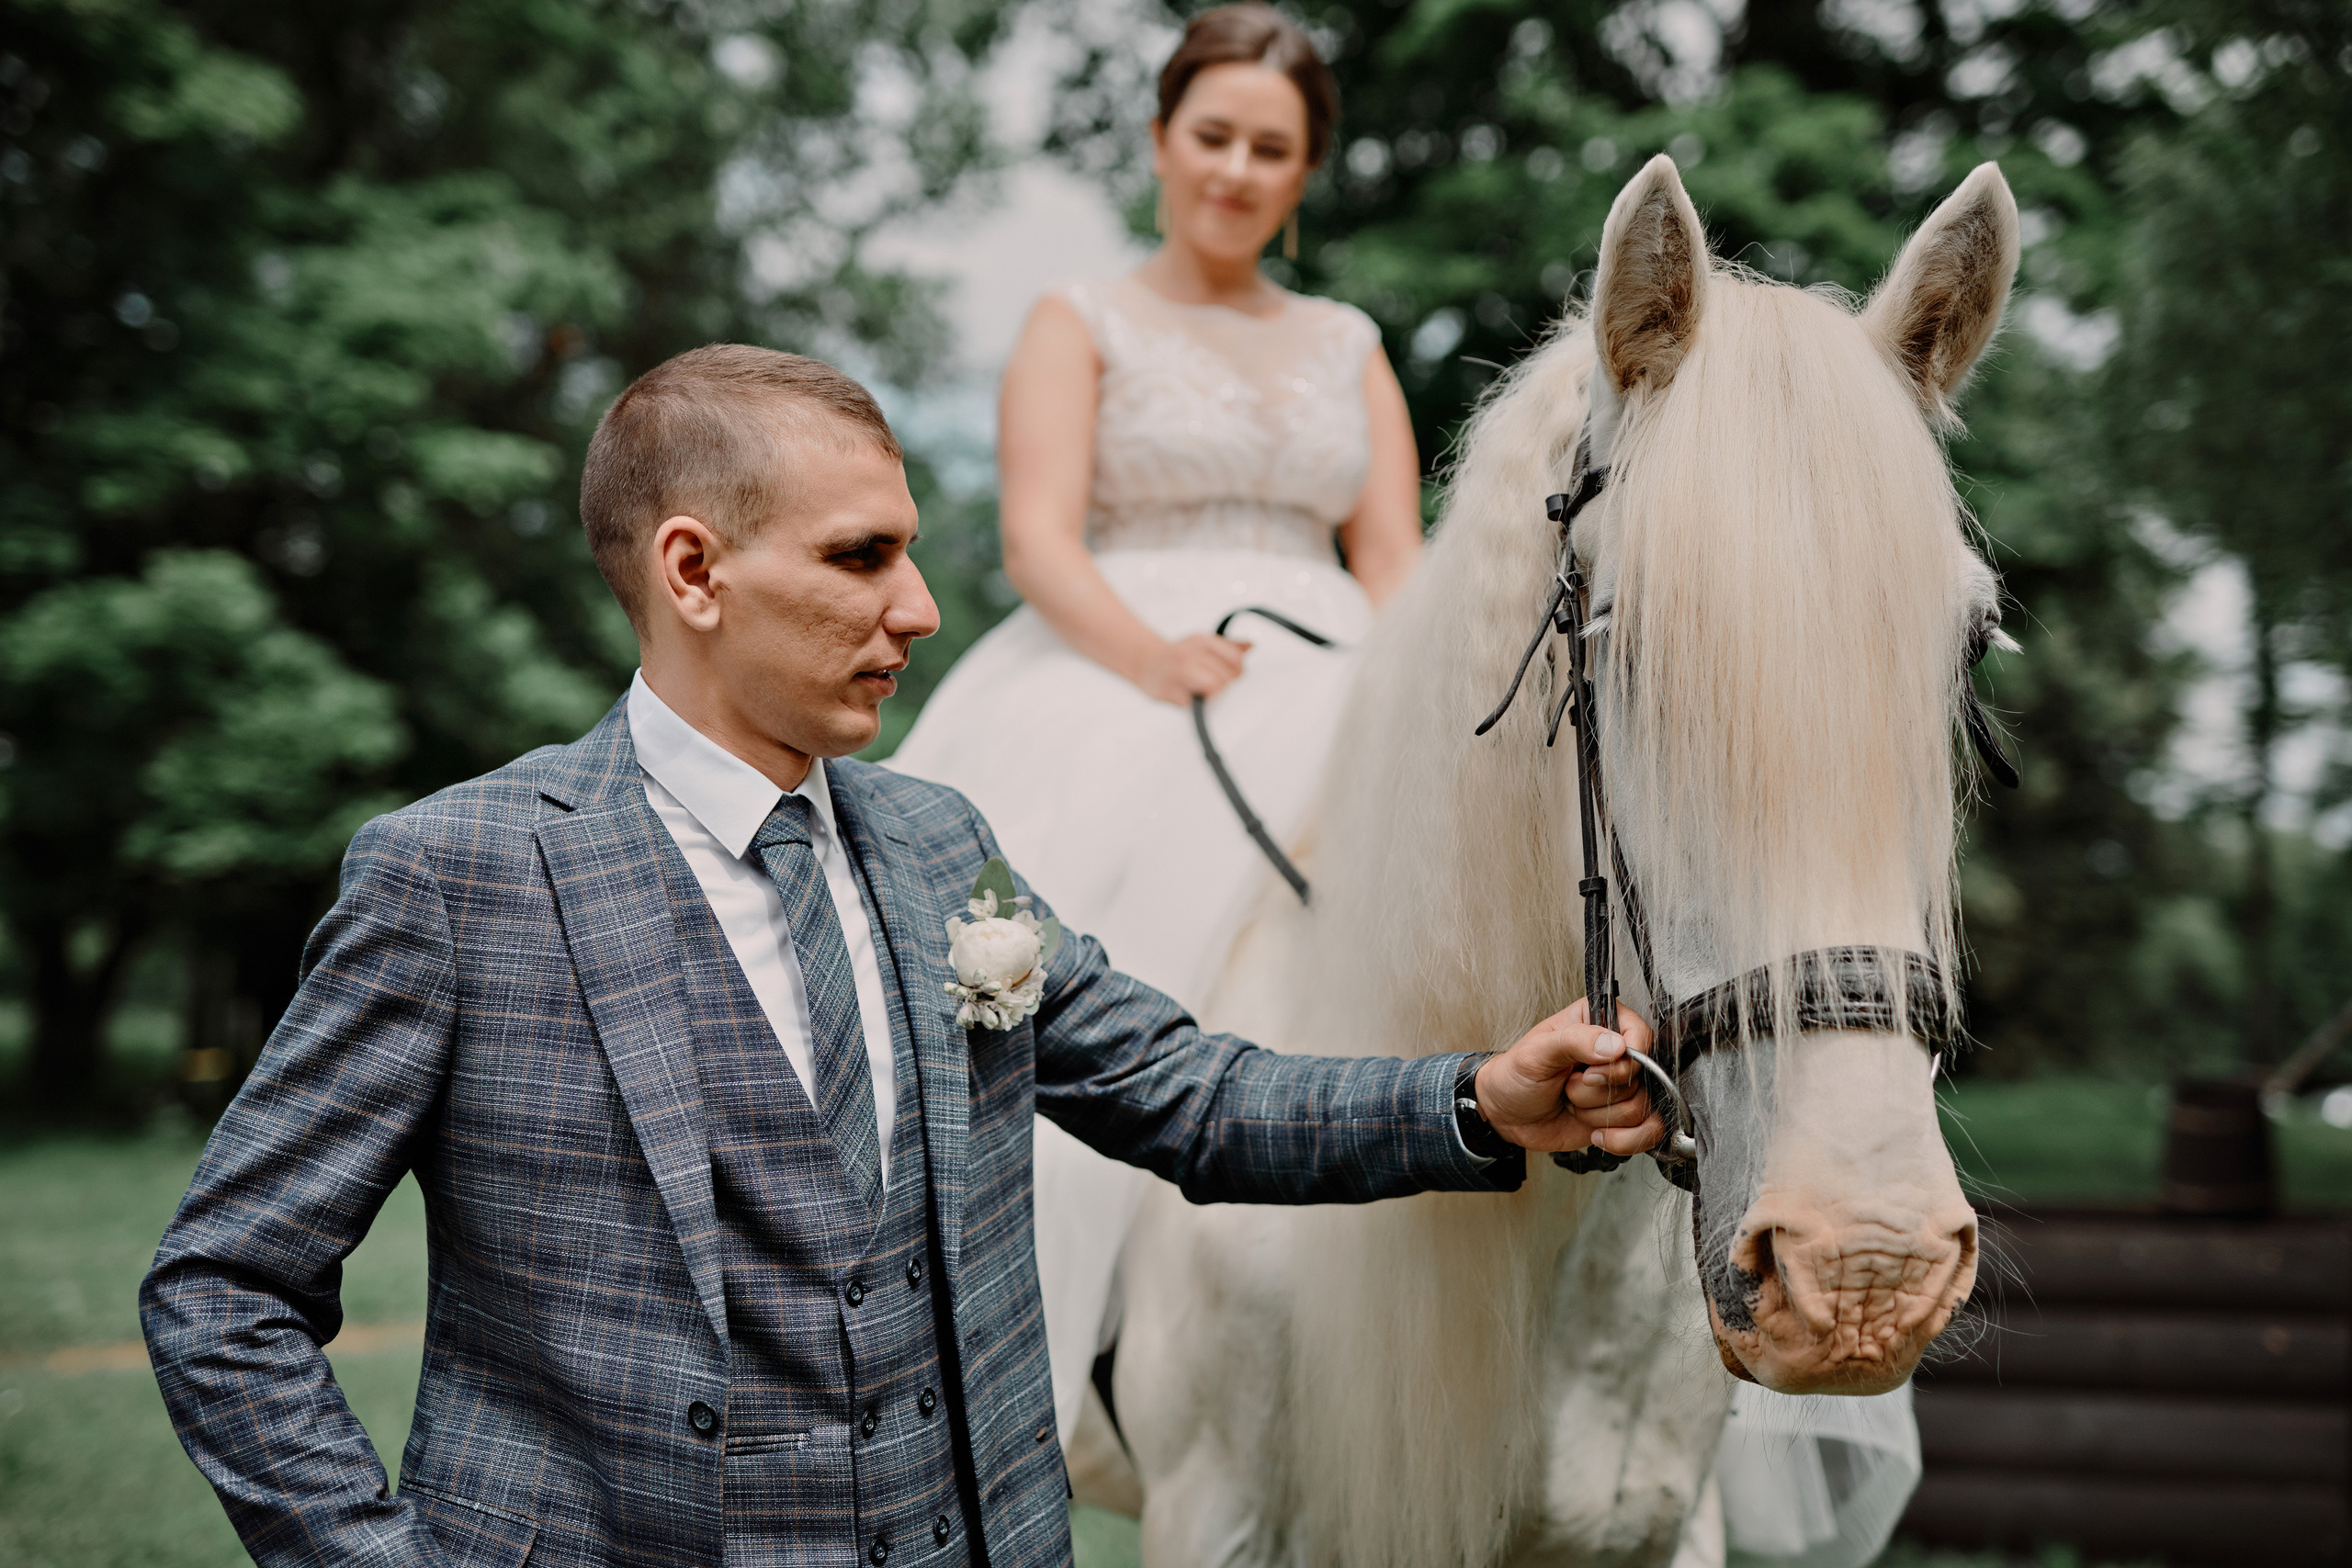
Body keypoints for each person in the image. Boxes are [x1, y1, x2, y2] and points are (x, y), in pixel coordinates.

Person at [139, 344, 1662, 1568]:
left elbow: (1187, 1097)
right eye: (863, 558)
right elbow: (225, 1290)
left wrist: (1479, 1099)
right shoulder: (461, 877)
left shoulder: (942, 848)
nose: (921, 611)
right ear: (693, 571)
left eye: (913, 555)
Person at [886, 3, 1420, 1442]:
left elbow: (1395, 559)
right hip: (1116, 660)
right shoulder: (1083, 319)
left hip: (1335, 662)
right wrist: (1150, 656)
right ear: (1161, 143)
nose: (1238, 169)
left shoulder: (1348, 340)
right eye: (1215, 137)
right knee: (1035, 936)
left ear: (1304, 173)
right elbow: (1038, 538)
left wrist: (1407, 690)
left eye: (1273, 148)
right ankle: (1068, 1318)